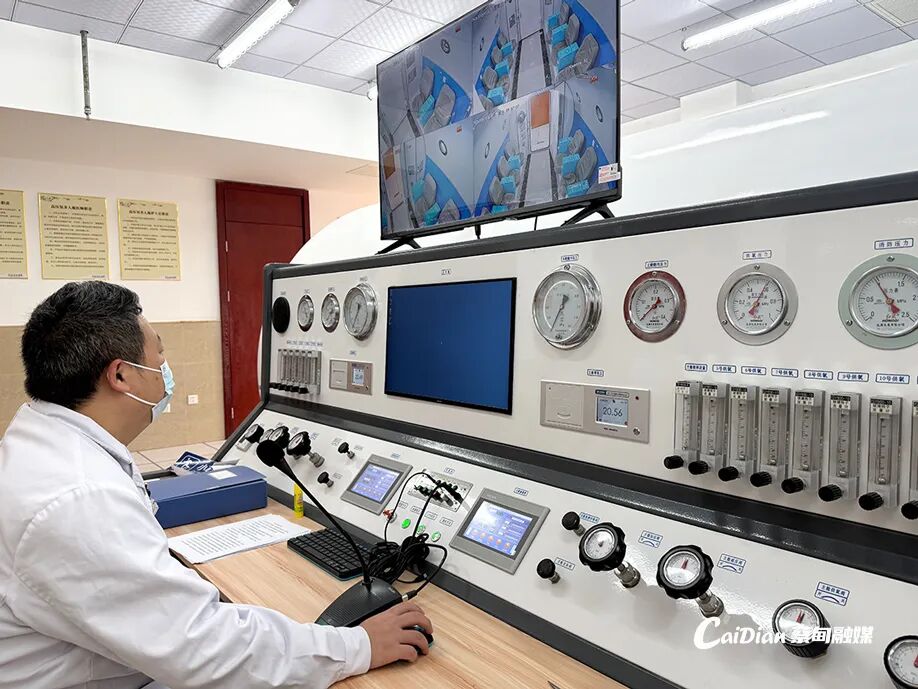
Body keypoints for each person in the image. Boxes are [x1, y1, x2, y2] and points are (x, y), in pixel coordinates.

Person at [0, 281, 432, 689]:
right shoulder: (79, 497)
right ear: (121, 376)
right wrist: (356, 646)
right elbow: (202, 648)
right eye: (159, 355)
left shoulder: (49, 446)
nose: (164, 369)